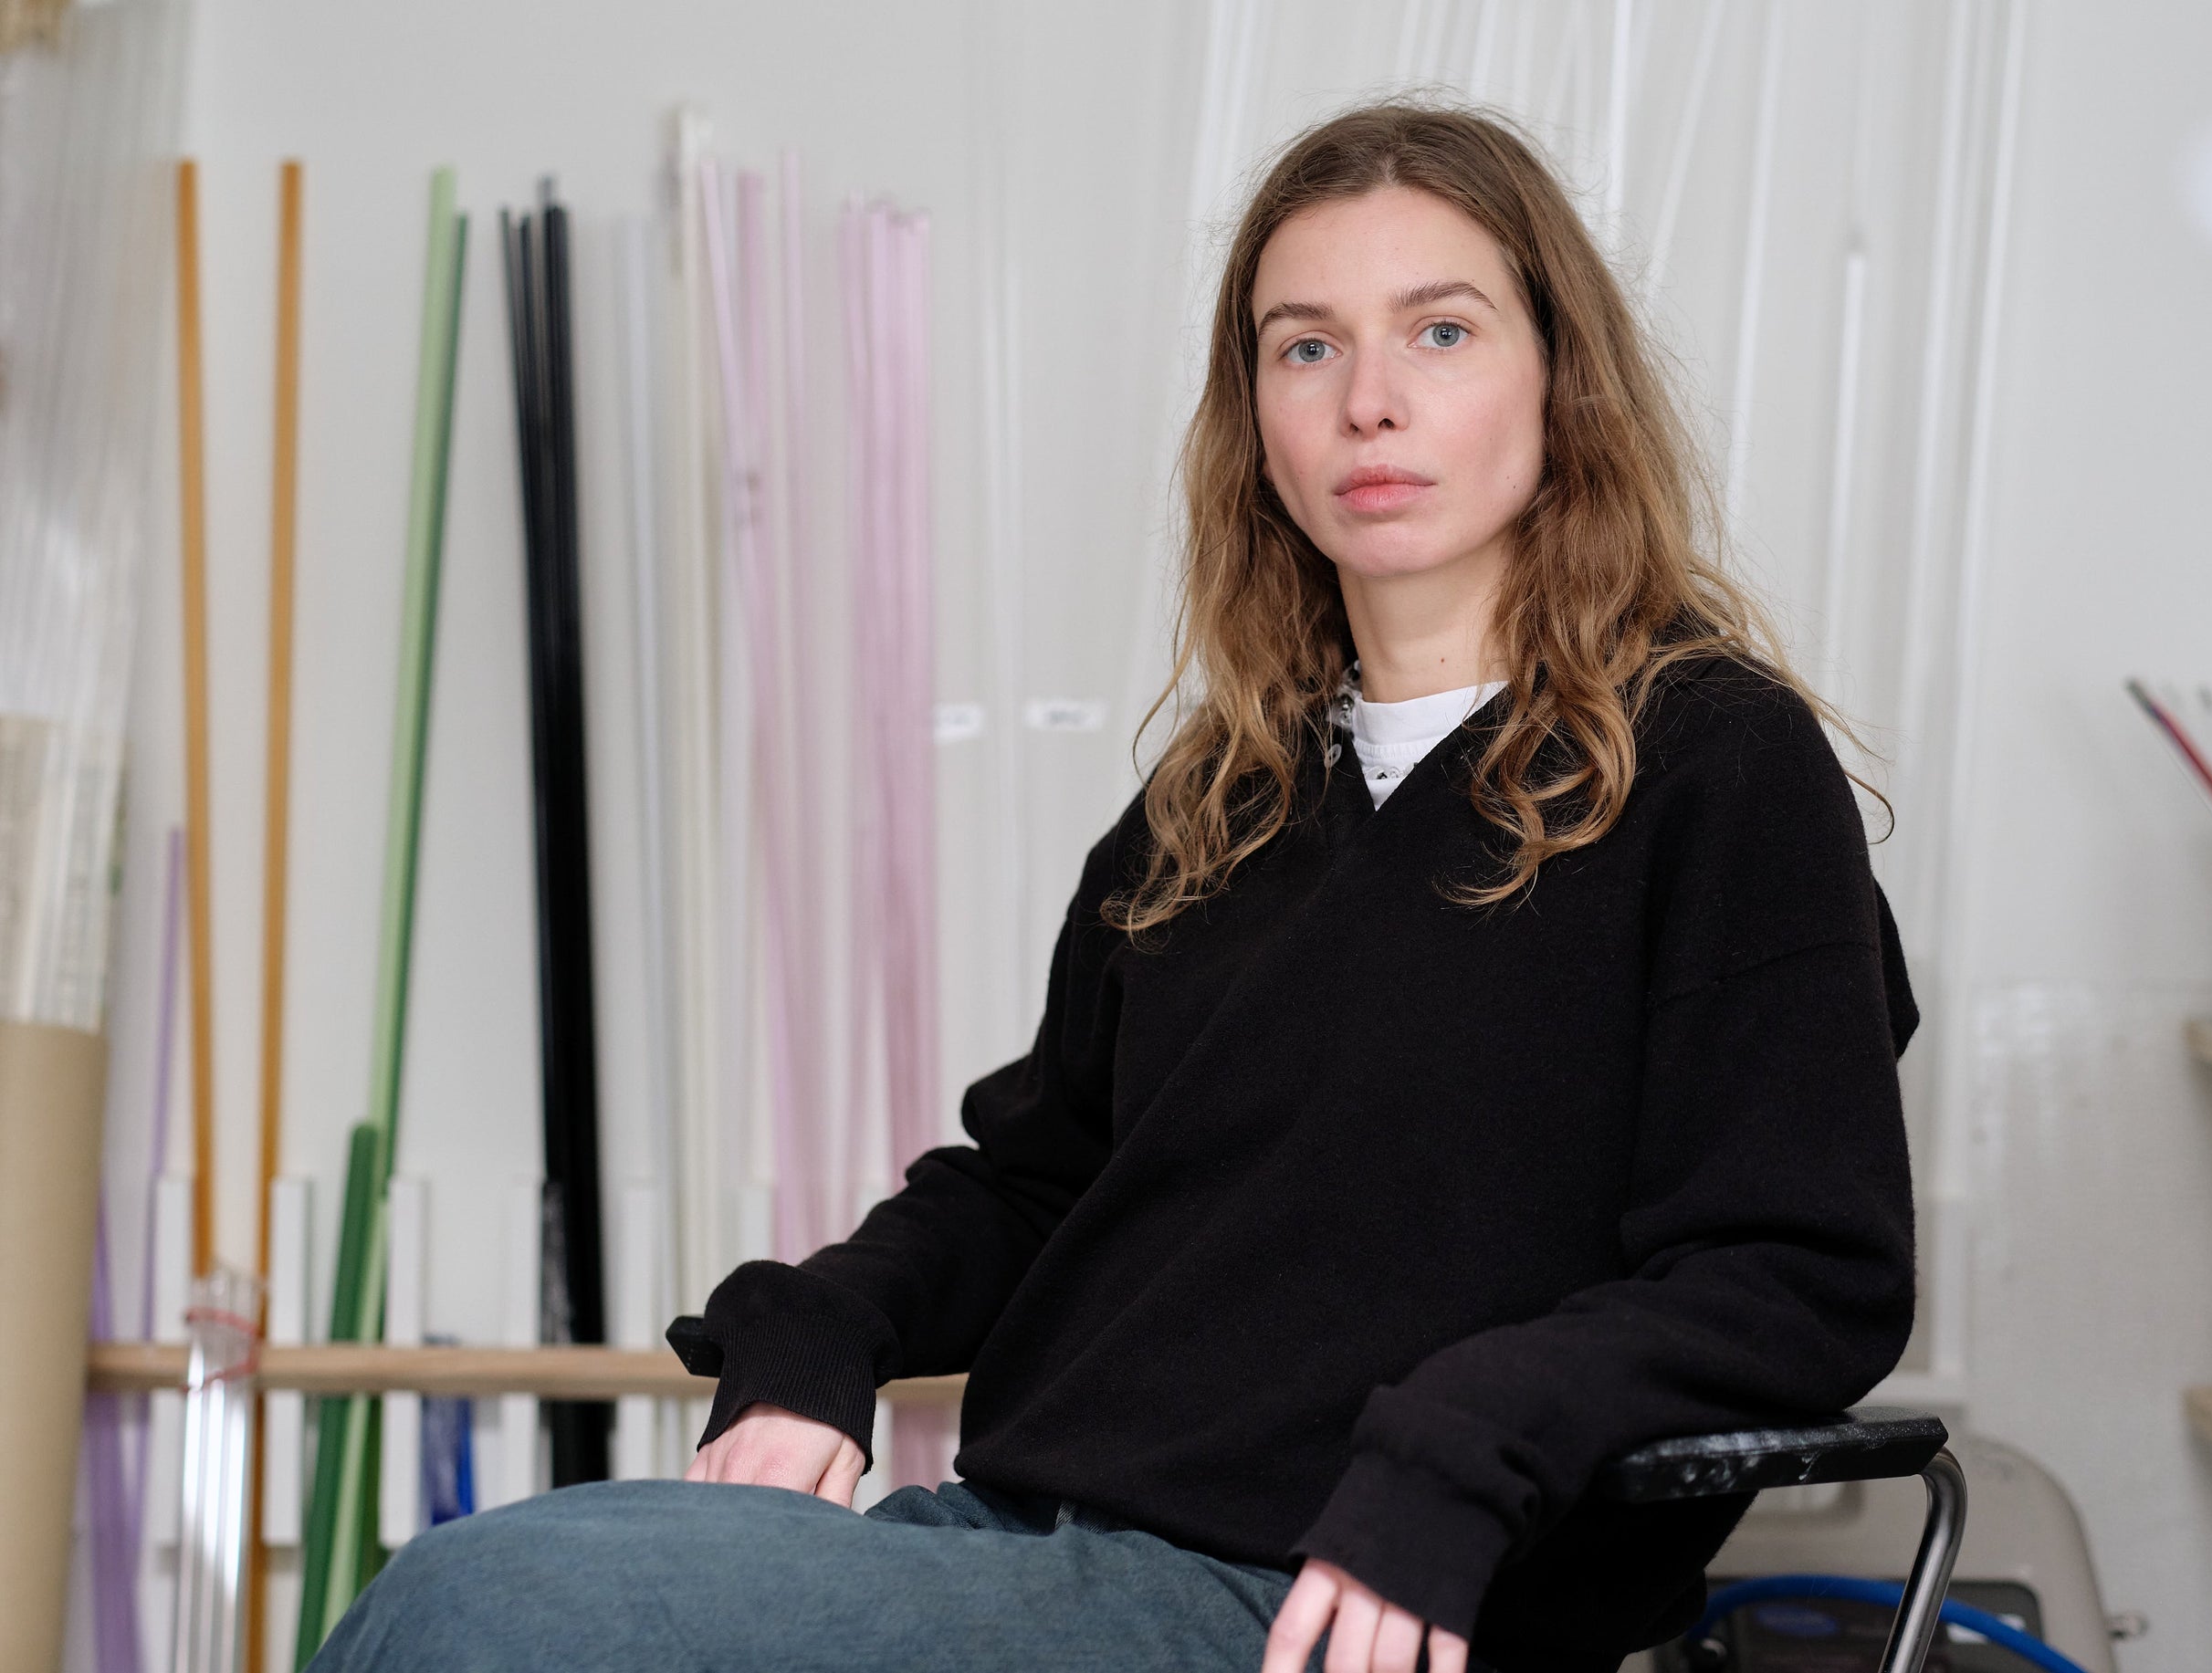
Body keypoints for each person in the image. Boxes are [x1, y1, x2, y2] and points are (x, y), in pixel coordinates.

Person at [314, 99, 1916, 1673]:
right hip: (1038, 1543)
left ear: (1560, 380)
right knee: (459, 1581)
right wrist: (820, 1326)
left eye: (1438, 333)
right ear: (1255, 419)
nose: (1369, 400)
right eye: (1306, 346)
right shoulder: (1217, 801)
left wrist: (1460, 1444)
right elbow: (1039, 1182)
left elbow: (1791, 1272)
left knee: (488, 1620)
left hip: (1317, 1600)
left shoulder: (1705, 762)